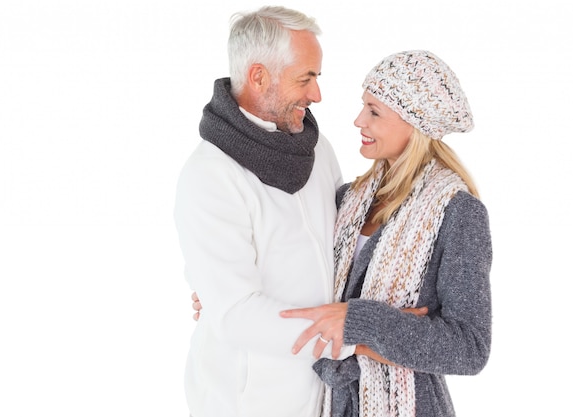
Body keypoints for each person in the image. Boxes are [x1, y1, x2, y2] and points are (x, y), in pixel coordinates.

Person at [280, 50, 493, 417]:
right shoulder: (349, 200)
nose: (358, 120)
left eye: (374, 111)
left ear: (416, 123)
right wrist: (229, 289)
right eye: (363, 106)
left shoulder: (458, 213)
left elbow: (469, 347)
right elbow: (300, 267)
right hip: (333, 403)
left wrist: (361, 327)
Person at [174, 6, 353, 417]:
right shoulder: (210, 175)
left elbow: (344, 239)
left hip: (323, 390)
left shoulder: (317, 149)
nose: (317, 94)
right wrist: (357, 335)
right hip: (249, 401)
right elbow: (237, 314)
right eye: (305, 78)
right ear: (258, 77)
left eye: (316, 78)